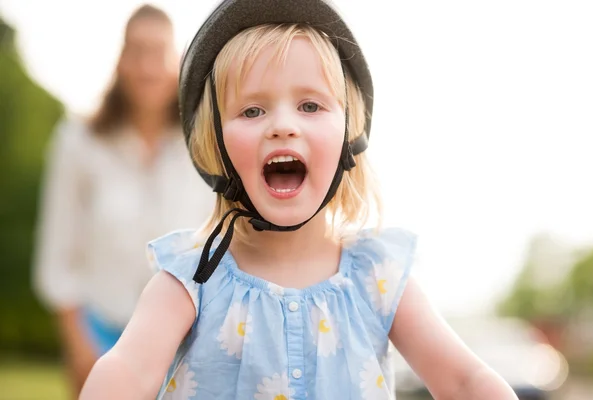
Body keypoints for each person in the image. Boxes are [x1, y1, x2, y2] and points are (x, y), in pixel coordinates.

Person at [80, 1, 518, 399]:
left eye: (310, 105)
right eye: (252, 111)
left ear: (350, 139)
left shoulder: (377, 278)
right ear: (217, 145)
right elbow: (128, 372)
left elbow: (464, 381)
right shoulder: (192, 279)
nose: (283, 125)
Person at [32, 4, 214, 397]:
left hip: (185, 340)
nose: (147, 67)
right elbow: (57, 250)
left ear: (177, 59)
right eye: (137, 51)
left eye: (158, 52)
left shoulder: (201, 143)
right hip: (98, 332)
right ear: (120, 59)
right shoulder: (78, 140)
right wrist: (80, 348)